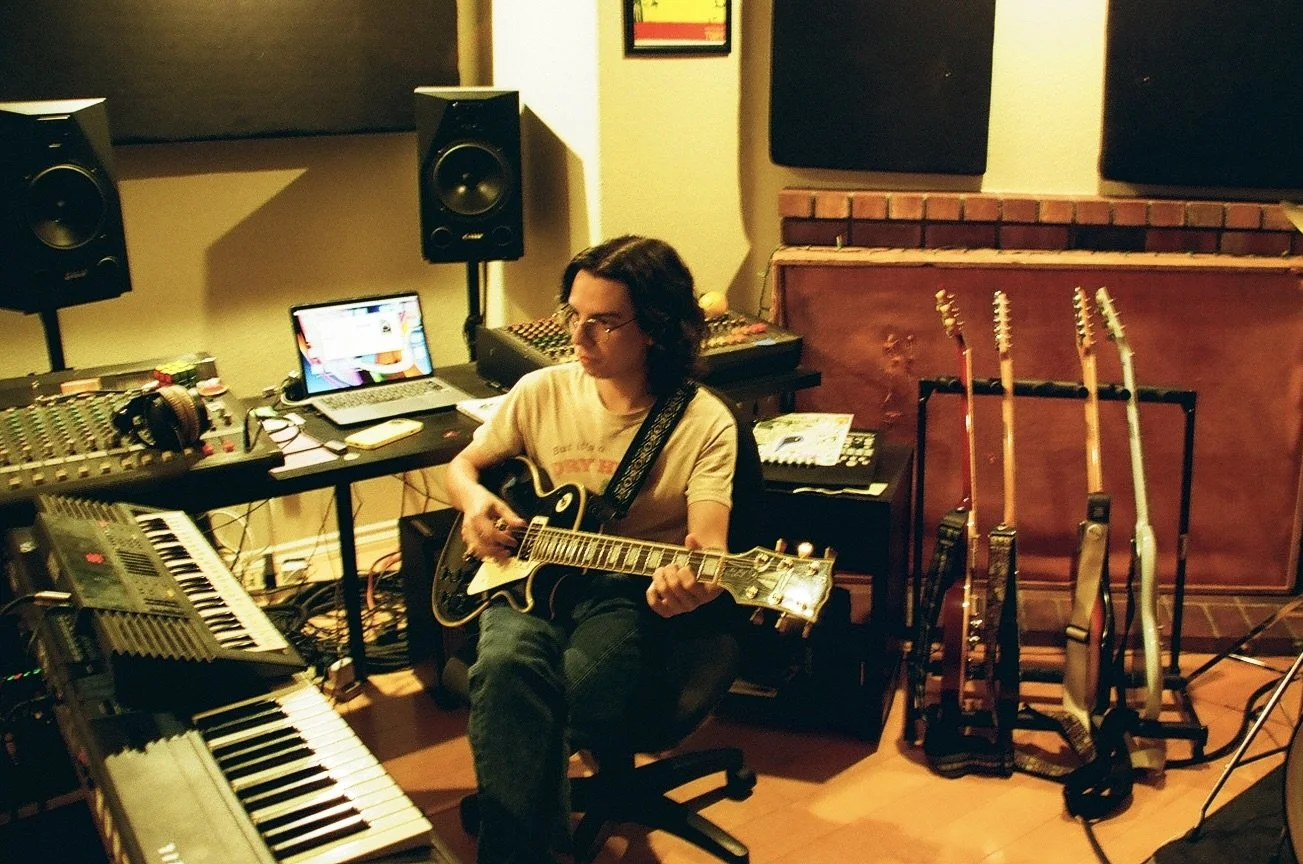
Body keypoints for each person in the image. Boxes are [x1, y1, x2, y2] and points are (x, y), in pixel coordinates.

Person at [444, 235, 743, 863]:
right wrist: (474, 505)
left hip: (624, 593)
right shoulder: (540, 392)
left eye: (602, 323)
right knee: (504, 671)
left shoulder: (702, 422)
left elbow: (708, 551)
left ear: (656, 329)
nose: (577, 337)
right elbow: (464, 466)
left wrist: (691, 587)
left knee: (534, 701)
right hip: (522, 578)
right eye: (571, 314)